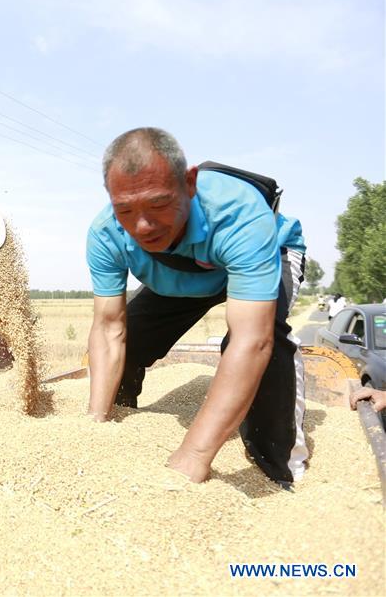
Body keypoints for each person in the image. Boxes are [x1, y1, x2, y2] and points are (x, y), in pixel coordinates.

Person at [86, 127, 307, 486]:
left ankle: (278, 468)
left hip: (267, 258)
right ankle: (119, 414)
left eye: (158, 204)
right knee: (131, 340)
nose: (142, 226)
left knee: (267, 343)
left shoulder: (239, 214)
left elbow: (253, 341)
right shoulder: (105, 233)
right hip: (184, 276)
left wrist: (194, 455)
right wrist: (95, 421)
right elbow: (109, 327)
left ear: (189, 183)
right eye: (125, 209)